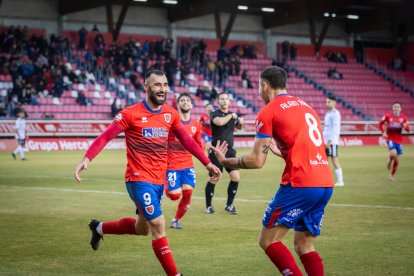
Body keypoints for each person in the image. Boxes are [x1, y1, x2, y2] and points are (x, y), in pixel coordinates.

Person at [74, 70, 221, 276]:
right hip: (138, 179)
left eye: (165, 84)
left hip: (158, 180)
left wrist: (207, 163)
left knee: (142, 229)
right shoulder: (129, 114)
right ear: (146, 86)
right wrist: (87, 158)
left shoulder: (170, 114)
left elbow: (187, 140)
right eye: (157, 85)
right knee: (159, 225)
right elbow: (106, 136)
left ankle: (98, 228)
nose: (162, 89)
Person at [210, 66, 334, 275]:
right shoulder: (307, 108)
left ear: (265, 86)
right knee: (304, 245)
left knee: (268, 240)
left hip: (300, 184)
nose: (259, 91)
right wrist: (285, 152)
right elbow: (311, 149)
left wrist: (226, 161)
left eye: (259, 86)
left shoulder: (268, 111)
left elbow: (257, 161)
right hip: (324, 183)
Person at [165, 93, 203, 230]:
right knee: (175, 196)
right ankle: (165, 183)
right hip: (172, 164)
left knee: (187, 194)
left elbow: (199, 146)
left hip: (188, 165)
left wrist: (207, 160)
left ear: (191, 105)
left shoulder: (196, 125)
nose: (185, 102)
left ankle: (175, 220)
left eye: (188, 100)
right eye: (182, 100)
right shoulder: (171, 123)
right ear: (178, 104)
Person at [205, 92, 244, 215]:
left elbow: (239, 128)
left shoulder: (232, 115)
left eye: (226, 99)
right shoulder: (214, 113)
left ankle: (229, 205)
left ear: (229, 101)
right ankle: (208, 206)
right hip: (216, 150)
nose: (224, 101)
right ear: (218, 101)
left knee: (236, 177)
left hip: (230, 151)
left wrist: (240, 122)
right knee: (215, 177)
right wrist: (232, 116)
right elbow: (220, 122)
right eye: (222, 99)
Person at [378, 102, 410, 181]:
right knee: (393, 153)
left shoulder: (404, 118)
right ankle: (390, 160)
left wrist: (405, 127)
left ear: (400, 109)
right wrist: (383, 132)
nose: (396, 108)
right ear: (393, 108)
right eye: (395, 107)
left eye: (398, 107)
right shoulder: (388, 116)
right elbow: (380, 123)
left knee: (397, 160)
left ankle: (392, 175)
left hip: (399, 140)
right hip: (390, 139)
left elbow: (408, 130)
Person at [323, 96, 344, 186]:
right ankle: (324, 179)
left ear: (334, 103)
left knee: (334, 159)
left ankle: (340, 181)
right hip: (325, 141)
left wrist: (329, 141)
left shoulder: (336, 114)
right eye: (326, 102)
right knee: (324, 160)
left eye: (329, 102)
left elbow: (335, 129)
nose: (327, 103)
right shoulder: (328, 114)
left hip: (332, 142)